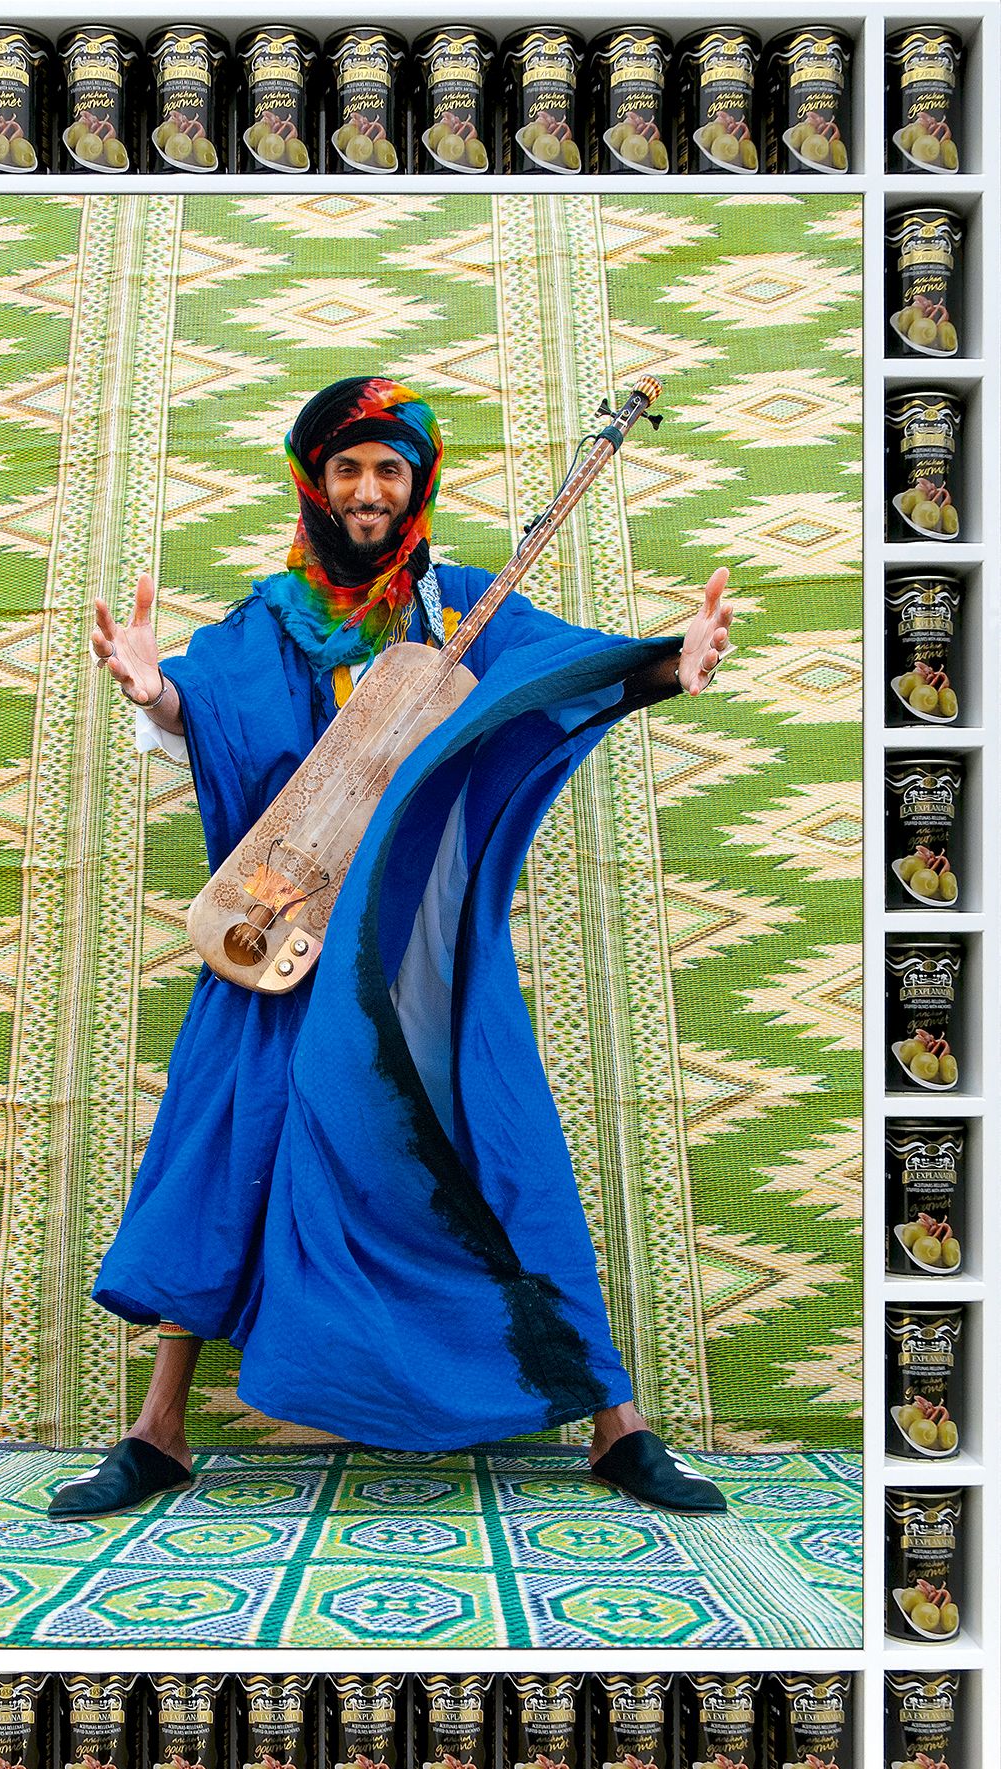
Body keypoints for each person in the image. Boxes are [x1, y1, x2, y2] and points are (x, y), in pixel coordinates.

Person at [48, 376, 732, 1522]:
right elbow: (202, 713)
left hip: (422, 949)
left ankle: (617, 1429)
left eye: (390, 470)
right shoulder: (268, 623)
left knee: (505, 1158)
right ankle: (157, 1433)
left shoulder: (462, 606)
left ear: (415, 486)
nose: (368, 490)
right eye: (347, 468)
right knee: (222, 1156)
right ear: (315, 482)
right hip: (280, 933)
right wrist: (157, 693)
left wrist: (671, 663)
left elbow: (563, 670)